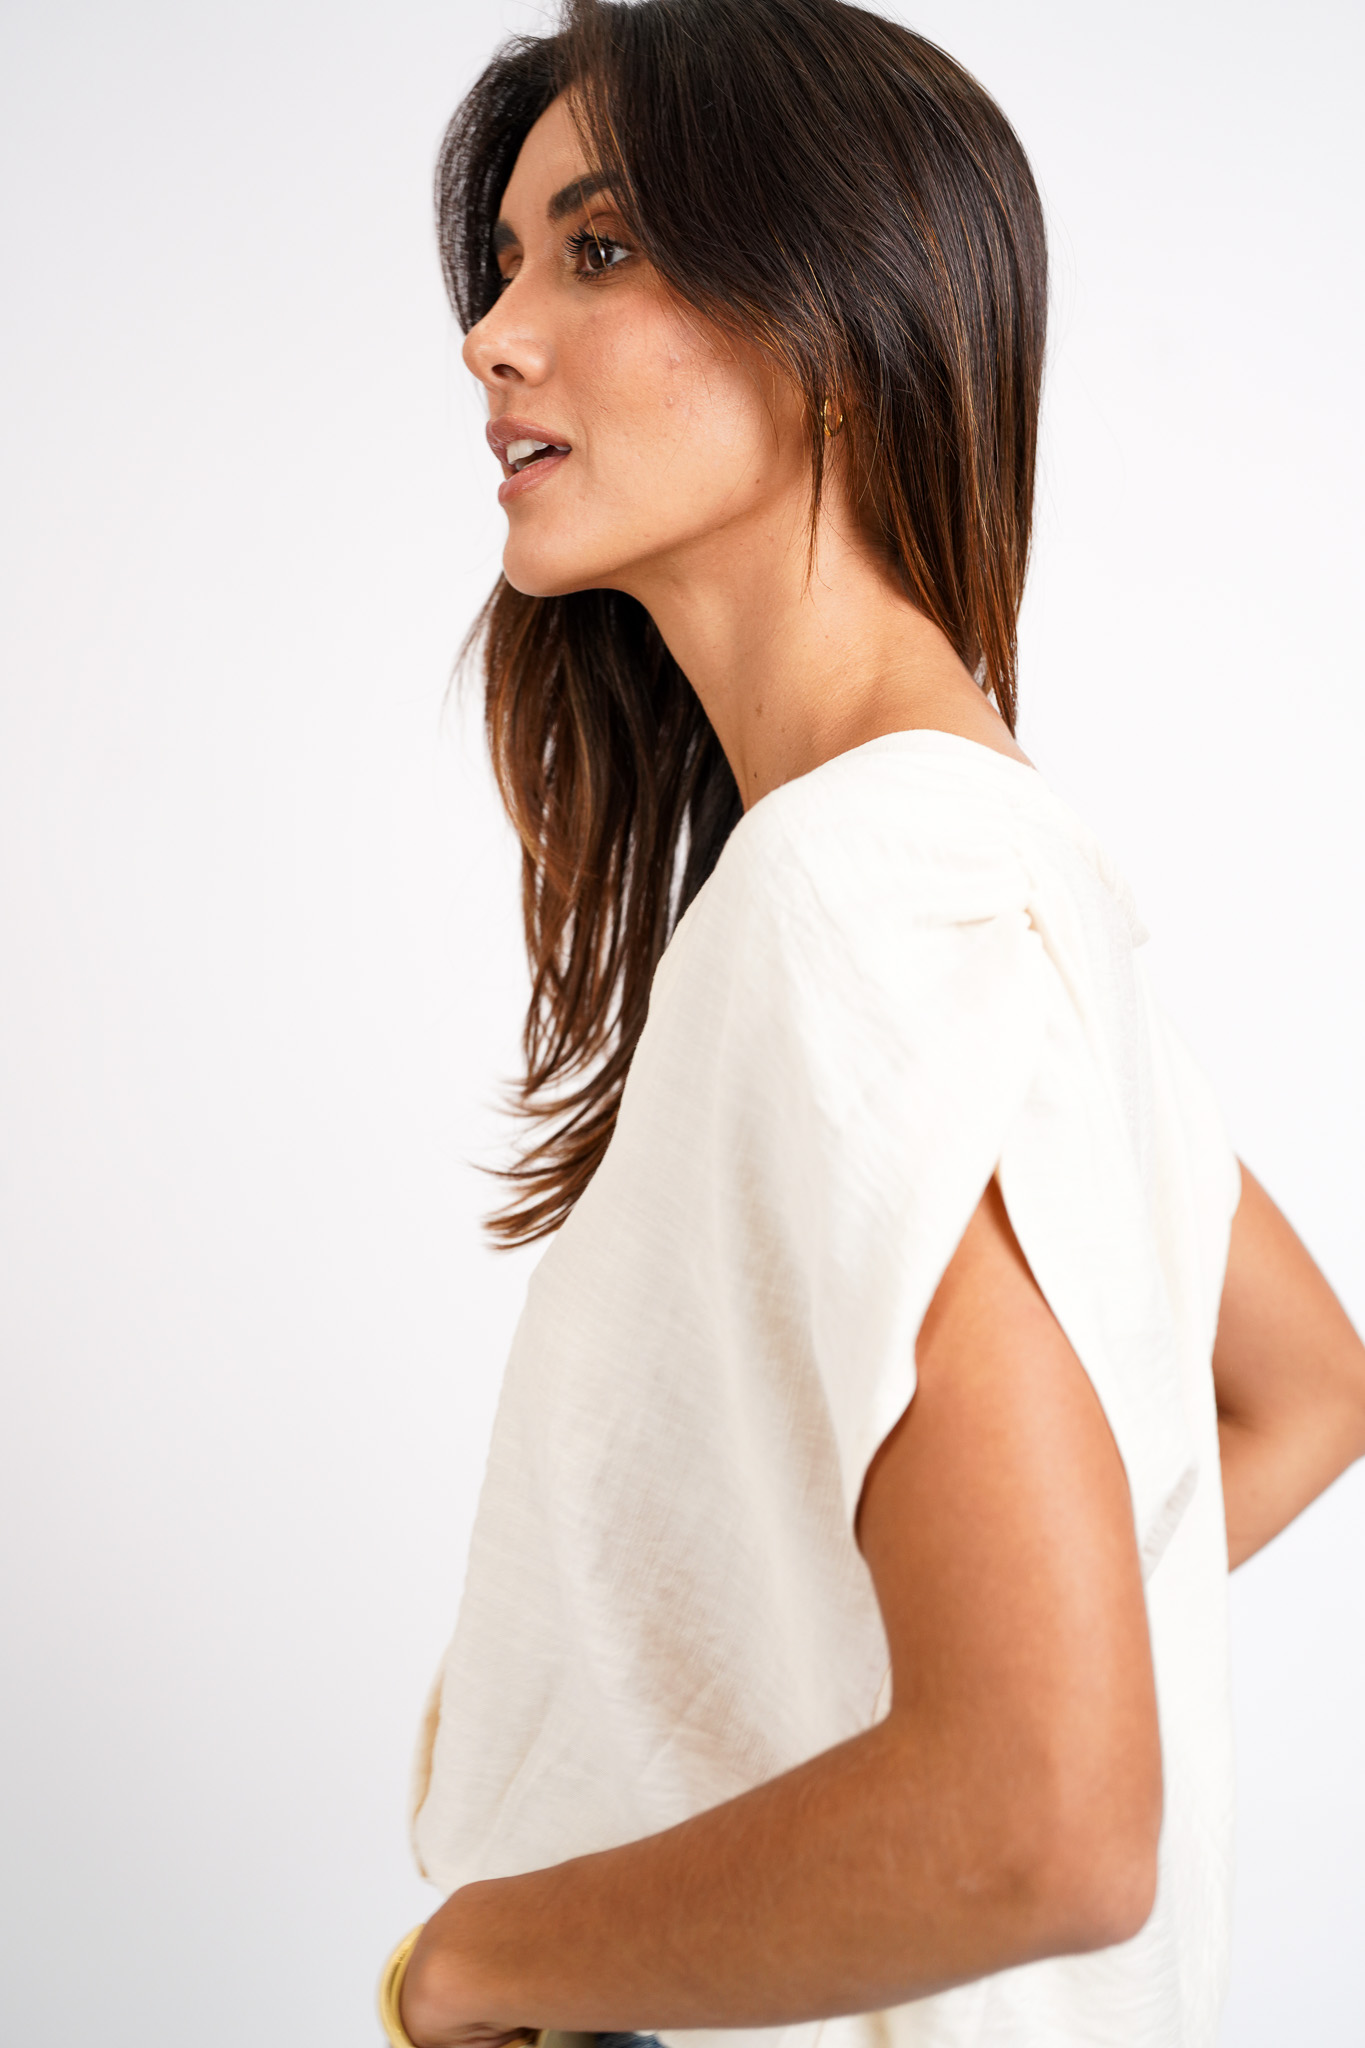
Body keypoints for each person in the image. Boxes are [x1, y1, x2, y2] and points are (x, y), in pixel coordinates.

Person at [377, 3, 1365, 2045]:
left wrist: (465, 1968)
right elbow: (1301, 1392)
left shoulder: (865, 893)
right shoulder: (985, 864)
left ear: (834, 309)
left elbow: (1042, 1822)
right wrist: (866, 1707)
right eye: (503, 263)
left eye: (598, 249)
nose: (489, 337)